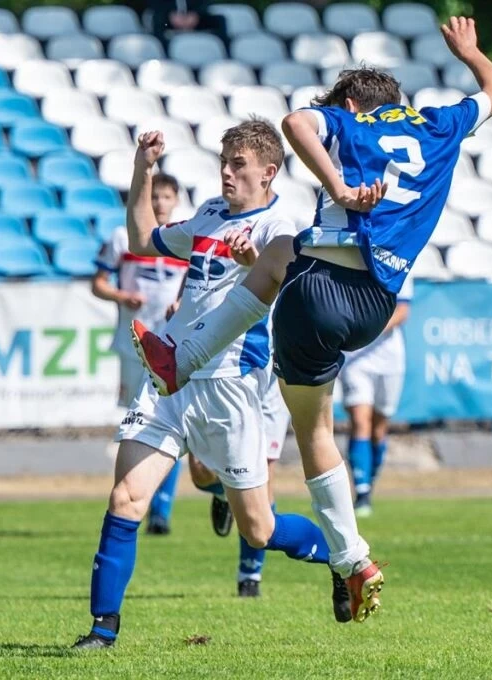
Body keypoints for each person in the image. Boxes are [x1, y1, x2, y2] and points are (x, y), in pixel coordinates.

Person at [133, 17, 492, 623]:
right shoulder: (441, 125)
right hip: (374, 304)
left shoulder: (350, 122)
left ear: (353, 104)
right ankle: (348, 563)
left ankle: (185, 357)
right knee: (311, 401)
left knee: (311, 417)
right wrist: (469, 51)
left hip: (317, 292)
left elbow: (294, 124)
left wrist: (337, 183)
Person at [73, 119, 350, 651]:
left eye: (238, 164)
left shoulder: (280, 229)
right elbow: (141, 240)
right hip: (168, 375)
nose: (226, 172)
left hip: (229, 387)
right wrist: (143, 169)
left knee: (259, 530)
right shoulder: (209, 215)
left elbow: (291, 290)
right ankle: (103, 630)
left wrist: (256, 265)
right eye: (223, 162)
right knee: (126, 497)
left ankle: (341, 556)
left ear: (269, 172)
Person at [92, 173, 187, 536]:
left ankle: (160, 509)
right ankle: (133, 498)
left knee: (169, 422)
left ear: (176, 200)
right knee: (137, 421)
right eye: (154, 197)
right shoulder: (123, 237)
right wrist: (122, 296)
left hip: (173, 345)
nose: (160, 203)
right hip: (133, 343)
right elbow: (98, 283)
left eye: (166, 197)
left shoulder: (184, 239)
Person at [187, 365, 292, 597]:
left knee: (263, 479)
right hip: (224, 379)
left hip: (269, 387)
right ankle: (225, 493)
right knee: (200, 472)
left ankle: (250, 574)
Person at [340, 270, 414, 517]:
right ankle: (361, 493)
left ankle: (369, 483)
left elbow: (402, 311)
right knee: (360, 421)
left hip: (389, 360)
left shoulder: (399, 262)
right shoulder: (351, 260)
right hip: (355, 359)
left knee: (379, 428)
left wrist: (371, 327)